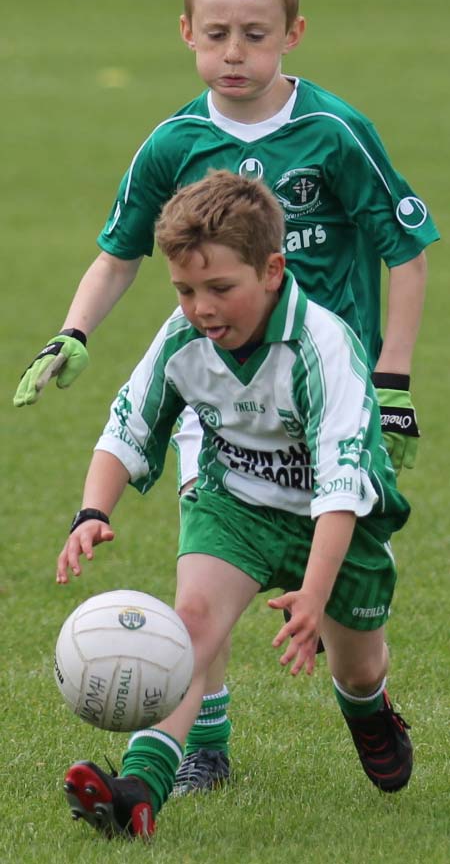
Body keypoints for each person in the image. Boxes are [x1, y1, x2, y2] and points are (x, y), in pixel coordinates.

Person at [16, 0, 438, 792]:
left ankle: (366, 702)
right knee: (196, 608)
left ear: (292, 32)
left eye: (254, 33)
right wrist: (74, 331)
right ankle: (177, 763)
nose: (234, 53)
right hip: (224, 404)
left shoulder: (333, 131)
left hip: (329, 404)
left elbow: (409, 253)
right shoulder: (173, 145)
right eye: (216, 35)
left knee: (354, 656)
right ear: (186, 35)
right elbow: (121, 250)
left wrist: (391, 383)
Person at [58, 171, 413, 841]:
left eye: (221, 288)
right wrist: (91, 511)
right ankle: (138, 792)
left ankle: (370, 710)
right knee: (189, 627)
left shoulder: (322, 347)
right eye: (186, 290)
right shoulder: (184, 338)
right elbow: (131, 424)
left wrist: (313, 594)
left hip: (334, 522)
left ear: (273, 270)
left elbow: (341, 486)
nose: (202, 308)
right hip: (237, 505)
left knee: (357, 666)